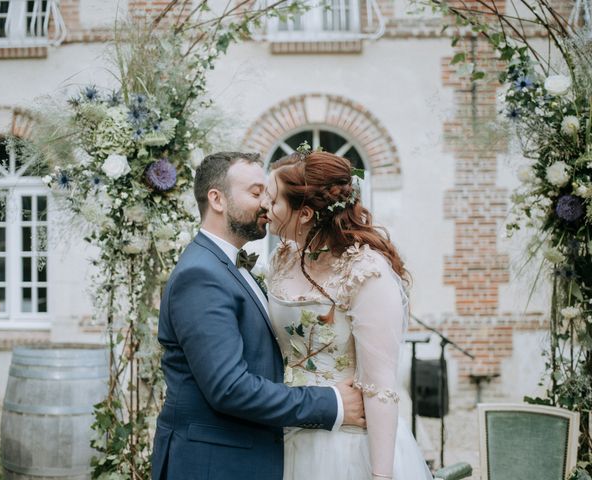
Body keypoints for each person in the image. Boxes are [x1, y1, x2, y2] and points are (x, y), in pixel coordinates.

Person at [152, 151, 366, 480]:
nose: (267, 204)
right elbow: (230, 388)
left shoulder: (229, 265)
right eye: (256, 193)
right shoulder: (201, 275)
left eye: (268, 194)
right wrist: (333, 403)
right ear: (217, 200)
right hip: (213, 465)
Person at [260, 150, 433, 480]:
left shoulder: (367, 273)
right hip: (282, 433)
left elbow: (380, 386)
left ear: (306, 213)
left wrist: (380, 474)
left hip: (345, 446)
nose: (265, 208)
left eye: (273, 201)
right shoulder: (282, 259)